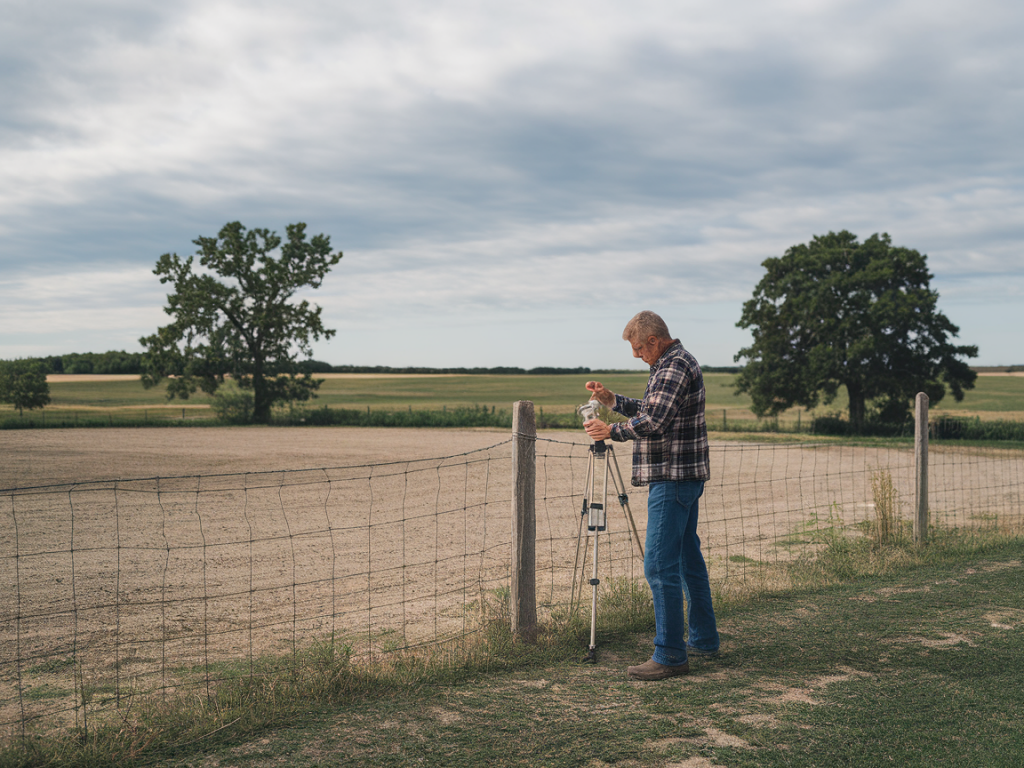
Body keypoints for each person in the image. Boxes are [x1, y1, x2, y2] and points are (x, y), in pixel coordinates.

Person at [583, 310, 720, 681]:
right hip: (682, 476)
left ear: (655, 341)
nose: (635, 354)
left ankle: (671, 654)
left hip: (672, 477)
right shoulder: (672, 363)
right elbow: (654, 409)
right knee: (688, 558)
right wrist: (613, 400)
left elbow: (655, 422)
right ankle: (704, 639)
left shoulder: (672, 366)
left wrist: (611, 431)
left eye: (638, 347)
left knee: (659, 565)